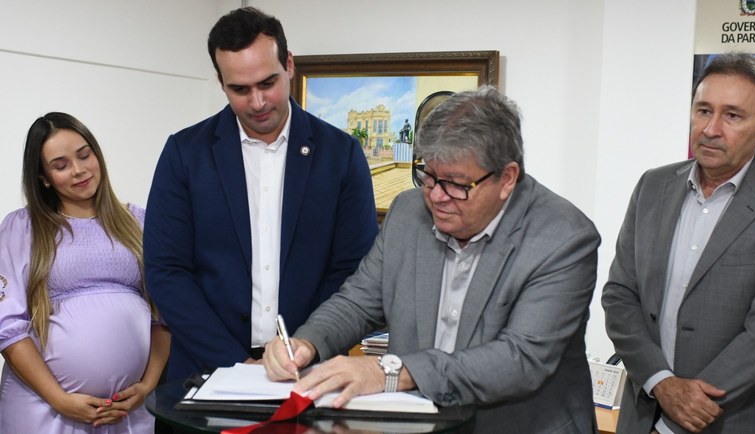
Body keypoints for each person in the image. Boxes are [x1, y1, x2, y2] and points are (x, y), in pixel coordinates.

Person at [264, 86, 601, 433]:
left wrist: (390, 372)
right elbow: (359, 301)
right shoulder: (408, 212)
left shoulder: (564, 237)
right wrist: (307, 342)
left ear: (507, 179)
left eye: (456, 184)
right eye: (429, 175)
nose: (436, 196)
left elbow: (520, 359)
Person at [143, 6, 378, 382]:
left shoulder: (341, 155)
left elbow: (353, 271)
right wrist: (233, 363)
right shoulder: (185, 153)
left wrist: (304, 346)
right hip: (204, 372)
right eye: (239, 89)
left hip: (308, 370)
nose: (257, 102)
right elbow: (167, 271)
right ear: (221, 83)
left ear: (289, 65)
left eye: (268, 83)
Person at [602, 52, 755, 433]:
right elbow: (619, 295)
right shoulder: (653, 186)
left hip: (729, 420)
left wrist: (690, 404)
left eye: (733, 115)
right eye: (703, 110)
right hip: (642, 416)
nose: (710, 129)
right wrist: (661, 382)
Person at [0, 112, 170, 433]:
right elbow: (8, 326)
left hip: (128, 414)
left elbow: (163, 316)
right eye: (61, 165)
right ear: (44, 178)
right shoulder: (22, 228)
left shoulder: (140, 223)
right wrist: (59, 399)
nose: (79, 170)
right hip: (44, 410)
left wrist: (147, 386)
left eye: (84, 155)